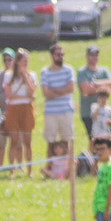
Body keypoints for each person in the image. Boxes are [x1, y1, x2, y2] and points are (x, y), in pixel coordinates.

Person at [39, 43, 75, 177]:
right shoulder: (45, 71)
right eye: (58, 54)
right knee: (51, 141)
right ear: (52, 56)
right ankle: (49, 169)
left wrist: (54, 90)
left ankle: (66, 171)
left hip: (66, 110)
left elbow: (71, 88)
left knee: (66, 140)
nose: (61, 57)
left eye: (62, 54)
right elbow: (45, 92)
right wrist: (62, 90)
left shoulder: (69, 70)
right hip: (51, 112)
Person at [76, 45, 111, 146]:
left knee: (107, 140)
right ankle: (93, 161)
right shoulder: (82, 72)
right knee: (93, 140)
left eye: (96, 54)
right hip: (88, 112)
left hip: (105, 112)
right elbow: (85, 90)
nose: (94, 57)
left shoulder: (104, 70)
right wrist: (104, 86)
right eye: (92, 54)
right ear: (87, 56)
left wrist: (96, 83)